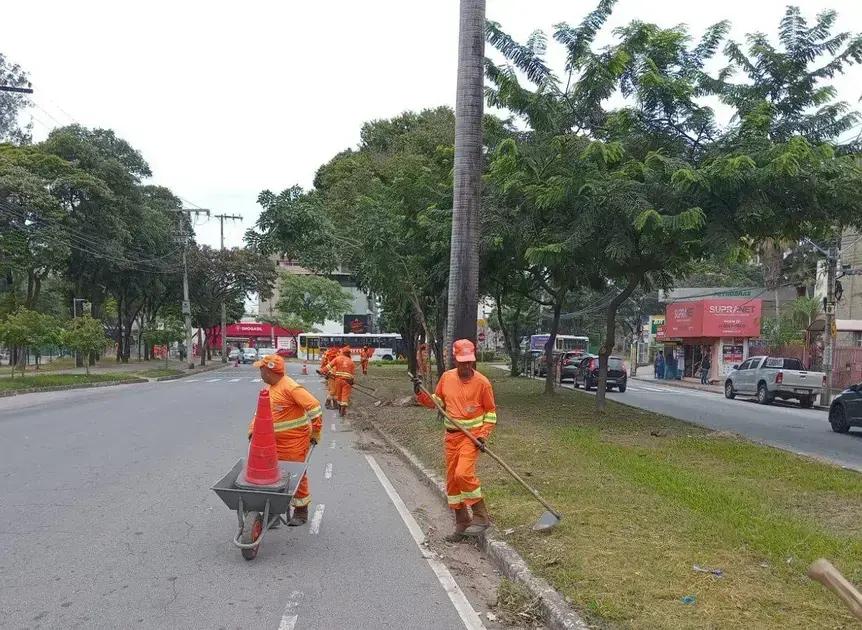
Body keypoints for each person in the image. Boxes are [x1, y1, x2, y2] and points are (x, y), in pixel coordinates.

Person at [413, 339, 496, 541]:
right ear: (455, 360)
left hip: (471, 438)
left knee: (462, 474)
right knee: (452, 483)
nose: (466, 366)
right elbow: (436, 403)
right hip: (451, 438)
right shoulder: (447, 378)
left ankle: (481, 515)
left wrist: (482, 435)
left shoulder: (482, 383)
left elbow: (491, 413)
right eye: (462, 362)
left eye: (469, 362)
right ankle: (462, 522)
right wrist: (420, 393)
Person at [248, 354, 322, 526]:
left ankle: (301, 511)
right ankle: (274, 511)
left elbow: (315, 408)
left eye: (261, 369)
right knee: (271, 475)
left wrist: (316, 432)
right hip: (271, 443)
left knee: (295, 475)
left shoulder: (291, 387)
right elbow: (260, 414)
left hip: (293, 442)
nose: (259, 372)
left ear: (268, 371)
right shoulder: (269, 388)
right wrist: (252, 431)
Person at [327, 346, 356, 417]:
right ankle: (330, 404)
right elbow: (351, 374)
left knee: (337, 393)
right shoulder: (350, 362)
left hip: (336, 378)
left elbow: (329, 367)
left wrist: (324, 372)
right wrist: (351, 381)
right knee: (337, 393)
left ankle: (337, 406)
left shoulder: (337, 358)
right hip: (337, 378)